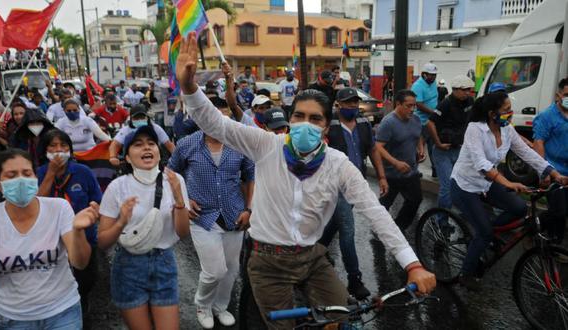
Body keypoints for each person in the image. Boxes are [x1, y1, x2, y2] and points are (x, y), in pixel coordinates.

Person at [174, 33, 435, 330]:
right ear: (289, 118)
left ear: (326, 127)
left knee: (342, 320)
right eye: (298, 116)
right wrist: (188, 86)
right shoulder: (266, 145)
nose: (305, 125)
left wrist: (412, 264)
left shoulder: (338, 164)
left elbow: (375, 213)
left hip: (312, 259)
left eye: (315, 119)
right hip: (267, 262)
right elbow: (215, 123)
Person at [450, 92, 568, 291]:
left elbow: (527, 152)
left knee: (519, 208)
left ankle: (488, 235)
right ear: (491, 113)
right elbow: (482, 164)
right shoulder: (475, 129)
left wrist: (554, 173)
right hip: (465, 185)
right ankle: (466, 273)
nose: (510, 114)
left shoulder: (507, 130)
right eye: (506, 111)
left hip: (489, 183)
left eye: (510, 109)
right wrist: (508, 183)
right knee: (484, 231)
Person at [0, 148, 99, 329]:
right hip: (14, 317)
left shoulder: (59, 208)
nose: (21, 180)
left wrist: (78, 232)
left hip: (63, 311)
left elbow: (79, 263)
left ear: (35, 177)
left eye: (27, 173)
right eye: (11, 175)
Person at [168, 107, 255, 329]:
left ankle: (220, 306)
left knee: (231, 269)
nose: (217, 122)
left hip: (234, 215)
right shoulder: (187, 144)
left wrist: (249, 209)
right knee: (214, 270)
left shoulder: (238, 143)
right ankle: (203, 305)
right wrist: (184, 201)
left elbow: (250, 176)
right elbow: (170, 174)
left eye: (222, 118)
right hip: (201, 218)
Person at [98, 125, 190, 329]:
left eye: (151, 144)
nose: (146, 148)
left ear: (159, 151)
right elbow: (103, 241)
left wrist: (178, 198)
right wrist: (121, 221)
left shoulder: (175, 181)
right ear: (128, 158)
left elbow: (183, 233)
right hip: (128, 266)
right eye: (138, 145)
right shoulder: (117, 187)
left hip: (164, 262)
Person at [318, 87, 388, 300]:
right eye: (347, 103)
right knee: (347, 230)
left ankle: (316, 249)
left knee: (336, 223)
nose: (352, 106)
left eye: (354, 102)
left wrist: (382, 176)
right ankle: (354, 280)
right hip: (335, 186)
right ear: (337, 104)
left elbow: (373, 150)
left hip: (355, 184)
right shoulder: (329, 125)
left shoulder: (365, 124)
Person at [36, 130, 103, 322]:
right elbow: (36, 205)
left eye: (63, 146)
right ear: (45, 150)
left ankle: (82, 308)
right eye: (53, 146)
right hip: (50, 242)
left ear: (70, 149)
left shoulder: (83, 172)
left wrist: (94, 211)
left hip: (83, 239)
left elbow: (97, 201)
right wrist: (50, 174)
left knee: (85, 279)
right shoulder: (39, 172)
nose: (59, 150)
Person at [375, 90, 425, 232]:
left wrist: (420, 149)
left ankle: (398, 228)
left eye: (414, 106)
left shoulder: (415, 119)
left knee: (415, 200)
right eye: (408, 106)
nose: (412, 109)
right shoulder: (388, 122)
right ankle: (379, 228)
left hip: (411, 171)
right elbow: (378, 147)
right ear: (398, 104)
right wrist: (395, 162)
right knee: (385, 204)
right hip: (391, 174)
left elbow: (418, 135)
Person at [427, 75, 474, 211]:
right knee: (447, 186)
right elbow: (430, 124)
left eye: (469, 89)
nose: (467, 92)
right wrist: (438, 143)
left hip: (460, 149)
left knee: (462, 184)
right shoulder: (446, 104)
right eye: (464, 90)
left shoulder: (470, 101)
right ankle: (442, 220)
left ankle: (465, 215)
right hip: (443, 152)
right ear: (455, 90)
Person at [533, 77, 568, 243]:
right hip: (554, 170)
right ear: (558, 95)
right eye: (567, 94)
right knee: (559, 211)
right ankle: (555, 244)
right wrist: (544, 172)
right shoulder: (546, 116)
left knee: (562, 210)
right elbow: (538, 142)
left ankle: (534, 224)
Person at [109, 104, 175, 167]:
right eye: (136, 118)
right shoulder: (126, 130)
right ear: (131, 118)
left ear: (147, 117)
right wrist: (112, 157)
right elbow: (115, 144)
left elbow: (169, 145)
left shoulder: (156, 128)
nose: (139, 120)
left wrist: (177, 157)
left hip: (153, 161)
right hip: (133, 163)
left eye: (142, 117)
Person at [411, 63, 439, 177]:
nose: (433, 77)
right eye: (431, 75)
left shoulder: (433, 84)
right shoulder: (418, 86)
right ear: (424, 74)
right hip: (421, 122)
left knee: (434, 146)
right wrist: (433, 112)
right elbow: (419, 104)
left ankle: (435, 170)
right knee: (418, 147)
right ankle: (414, 170)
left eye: (434, 75)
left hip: (431, 121)